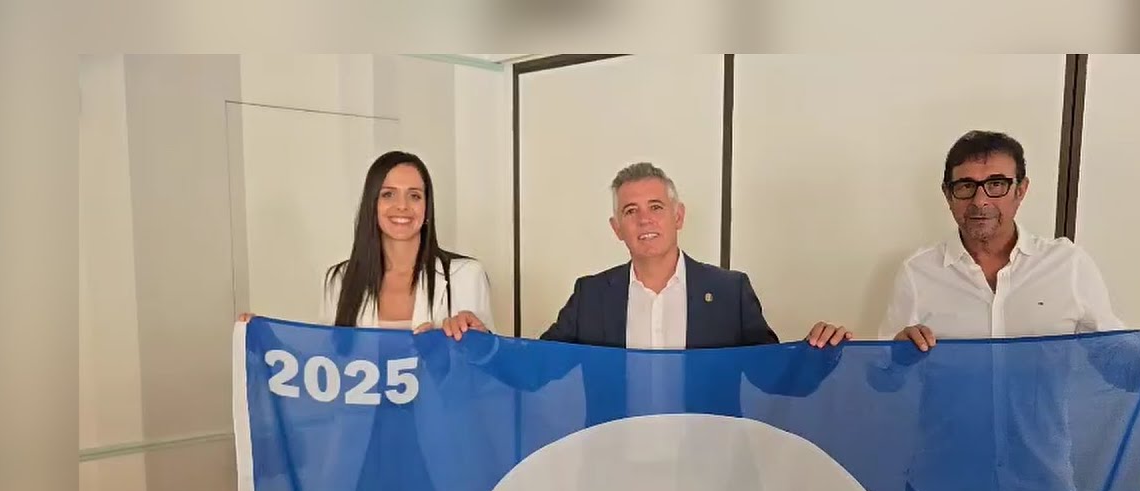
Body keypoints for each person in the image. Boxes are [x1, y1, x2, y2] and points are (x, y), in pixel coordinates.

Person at [880, 130, 1131, 491]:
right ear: (947, 196)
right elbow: (885, 381)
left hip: (1040, 490)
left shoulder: (1068, 266)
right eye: (965, 187)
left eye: (996, 183)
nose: (980, 200)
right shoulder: (918, 274)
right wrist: (895, 356)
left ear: (1021, 190)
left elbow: (1117, 361)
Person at [440, 161, 847, 349]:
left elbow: (773, 374)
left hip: (709, 467)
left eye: (656, 207)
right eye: (630, 211)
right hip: (613, 465)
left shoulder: (729, 291)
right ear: (616, 228)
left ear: (678, 215)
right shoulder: (591, 296)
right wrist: (480, 344)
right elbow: (537, 367)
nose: (644, 220)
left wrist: (825, 350)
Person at [237, 150, 493, 330]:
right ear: (372, 204)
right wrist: (265, 337)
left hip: (437, 409)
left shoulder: (466, 276)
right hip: (364, 410)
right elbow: (325, 361)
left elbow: (490, 373)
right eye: (388, 195)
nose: (402, 206)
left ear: (427, 208)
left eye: (414, 196)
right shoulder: (339, 279)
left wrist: (477, 342)